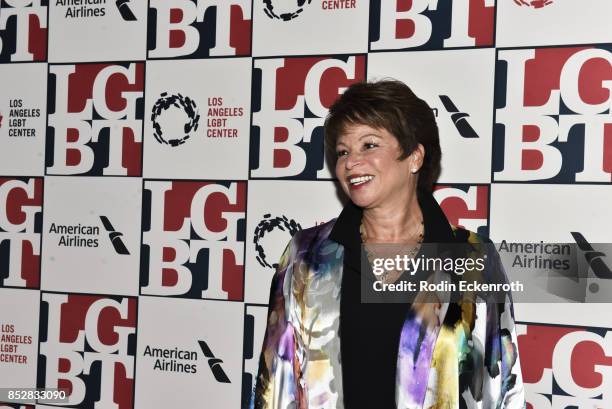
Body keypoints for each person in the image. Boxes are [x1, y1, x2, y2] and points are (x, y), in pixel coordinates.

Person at [251, 79, 526, 408]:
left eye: (369, 145)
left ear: (414, 157)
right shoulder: (306, 257)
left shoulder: (473, 258)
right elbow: (275, 385)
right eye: (342, 151)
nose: (350, 162)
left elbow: (500, 385)